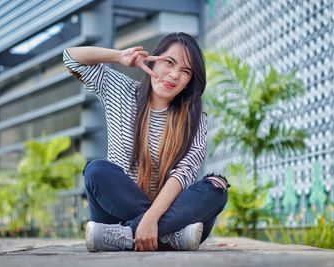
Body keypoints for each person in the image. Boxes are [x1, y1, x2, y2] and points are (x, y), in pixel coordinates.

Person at [63, 32, 229, 252]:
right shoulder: (121, 91)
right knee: (96, 170)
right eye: (169, 62)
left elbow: (183, 173)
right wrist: (120, 57)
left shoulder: (195, 119)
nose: (173, 75)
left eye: (185, 71)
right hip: (120, 212)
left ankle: (122, 237)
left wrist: (152, 218)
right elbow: (70, 56)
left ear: (190, 80)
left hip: (165, 211)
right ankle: (170, 236)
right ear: (154, 58)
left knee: (216, 188)